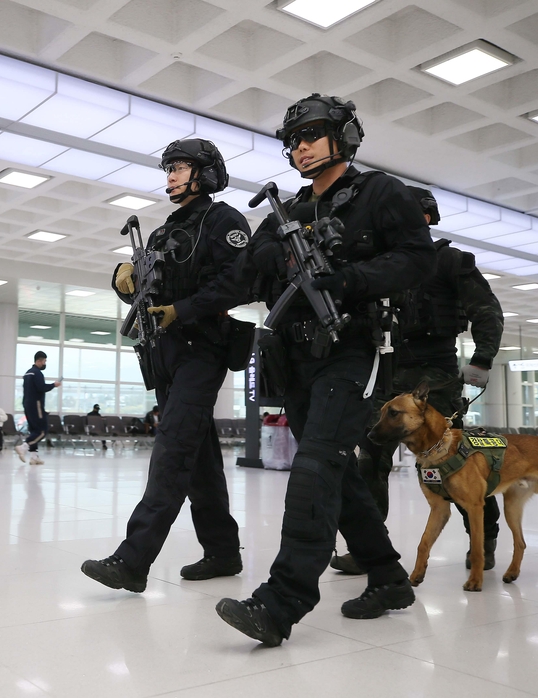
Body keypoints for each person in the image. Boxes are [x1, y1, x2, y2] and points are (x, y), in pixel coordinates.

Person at [215, 94, 437, 646]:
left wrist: (348, 278)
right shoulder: (285, 212)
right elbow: (247, 274)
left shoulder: (381, 193)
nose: (302, 147)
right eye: (294, 140)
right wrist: (274, 256)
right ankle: (387, 577)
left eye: (313, 134)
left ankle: (281, 601)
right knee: (336, 471)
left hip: (353, 348)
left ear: (345, 136)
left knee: (314, 467)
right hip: (296, 359)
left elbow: (417, 259)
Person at [81, 137, 251, 593]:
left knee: (174, 447)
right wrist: (123, 280)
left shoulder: (224, 221)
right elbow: (148, 294)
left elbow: (238, 283)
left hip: (204, 348)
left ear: (206, 173)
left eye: (181, 168)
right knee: (199, 458)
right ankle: (222, 551)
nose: (171, 176)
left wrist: (185, 309)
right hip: (166, 352)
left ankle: (133, 560)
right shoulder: (161, 233)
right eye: (169, 169)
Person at [334, 186, 505, 575]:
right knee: (370, 461)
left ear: (426, 218)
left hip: (437, 379)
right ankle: (369, 549)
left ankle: (486, 538)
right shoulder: (380, 266)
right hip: (387, 374)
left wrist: (480, 361)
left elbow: (487, 312)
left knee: (460, 466)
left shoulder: (449, 261)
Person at [16, 351, 60, 466]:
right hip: (36, 405)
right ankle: (23, 447)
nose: (45, 363)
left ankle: (34, 457)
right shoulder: (37, 373)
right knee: (42, 431)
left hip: (27, 404)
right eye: (44, 361)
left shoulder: (27, 373)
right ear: (39, 361)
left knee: (34, 430)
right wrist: (53, 385)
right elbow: (42, 388)